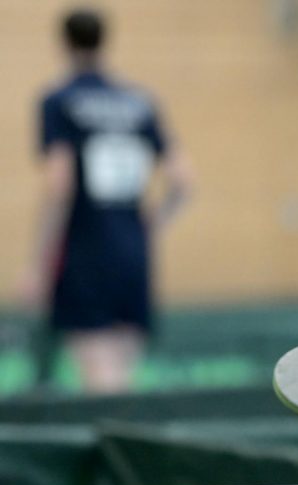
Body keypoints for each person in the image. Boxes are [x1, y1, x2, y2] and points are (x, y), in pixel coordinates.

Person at [18, 7, 191, 394]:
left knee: (99, 379)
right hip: (132, 250)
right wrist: (151, 226)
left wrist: (40, 264)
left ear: (64, 43)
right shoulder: (140, 102)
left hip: (85, 249)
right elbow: (182, 180)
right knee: (120, 376)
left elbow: (58, 185)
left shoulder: (59, 101)